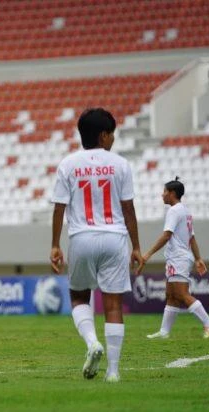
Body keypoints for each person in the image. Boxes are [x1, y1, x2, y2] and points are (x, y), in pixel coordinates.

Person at [49, 108, 143, 383]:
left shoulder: (68, 164)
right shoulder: (120, 164)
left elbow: (59, 208)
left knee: (79, 297)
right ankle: (113, 371)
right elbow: (129, 209)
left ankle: (92, 342)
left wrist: (55, 245)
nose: (113, 138)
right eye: (112, 133)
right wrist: (136, 246)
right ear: (103, 135)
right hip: (115, 238)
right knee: (113, 304)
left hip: (81, 237)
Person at [142, 178, 209, 339]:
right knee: (171, 295)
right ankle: (164, 332)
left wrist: (148, 254)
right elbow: (192, 238)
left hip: (178, 258)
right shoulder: (185, 211)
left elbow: (166, 235)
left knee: (182, 294)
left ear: (172, 193)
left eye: (164, 191)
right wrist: (198, 258)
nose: (162, 194)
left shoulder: (174, 211)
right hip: (179, 257)